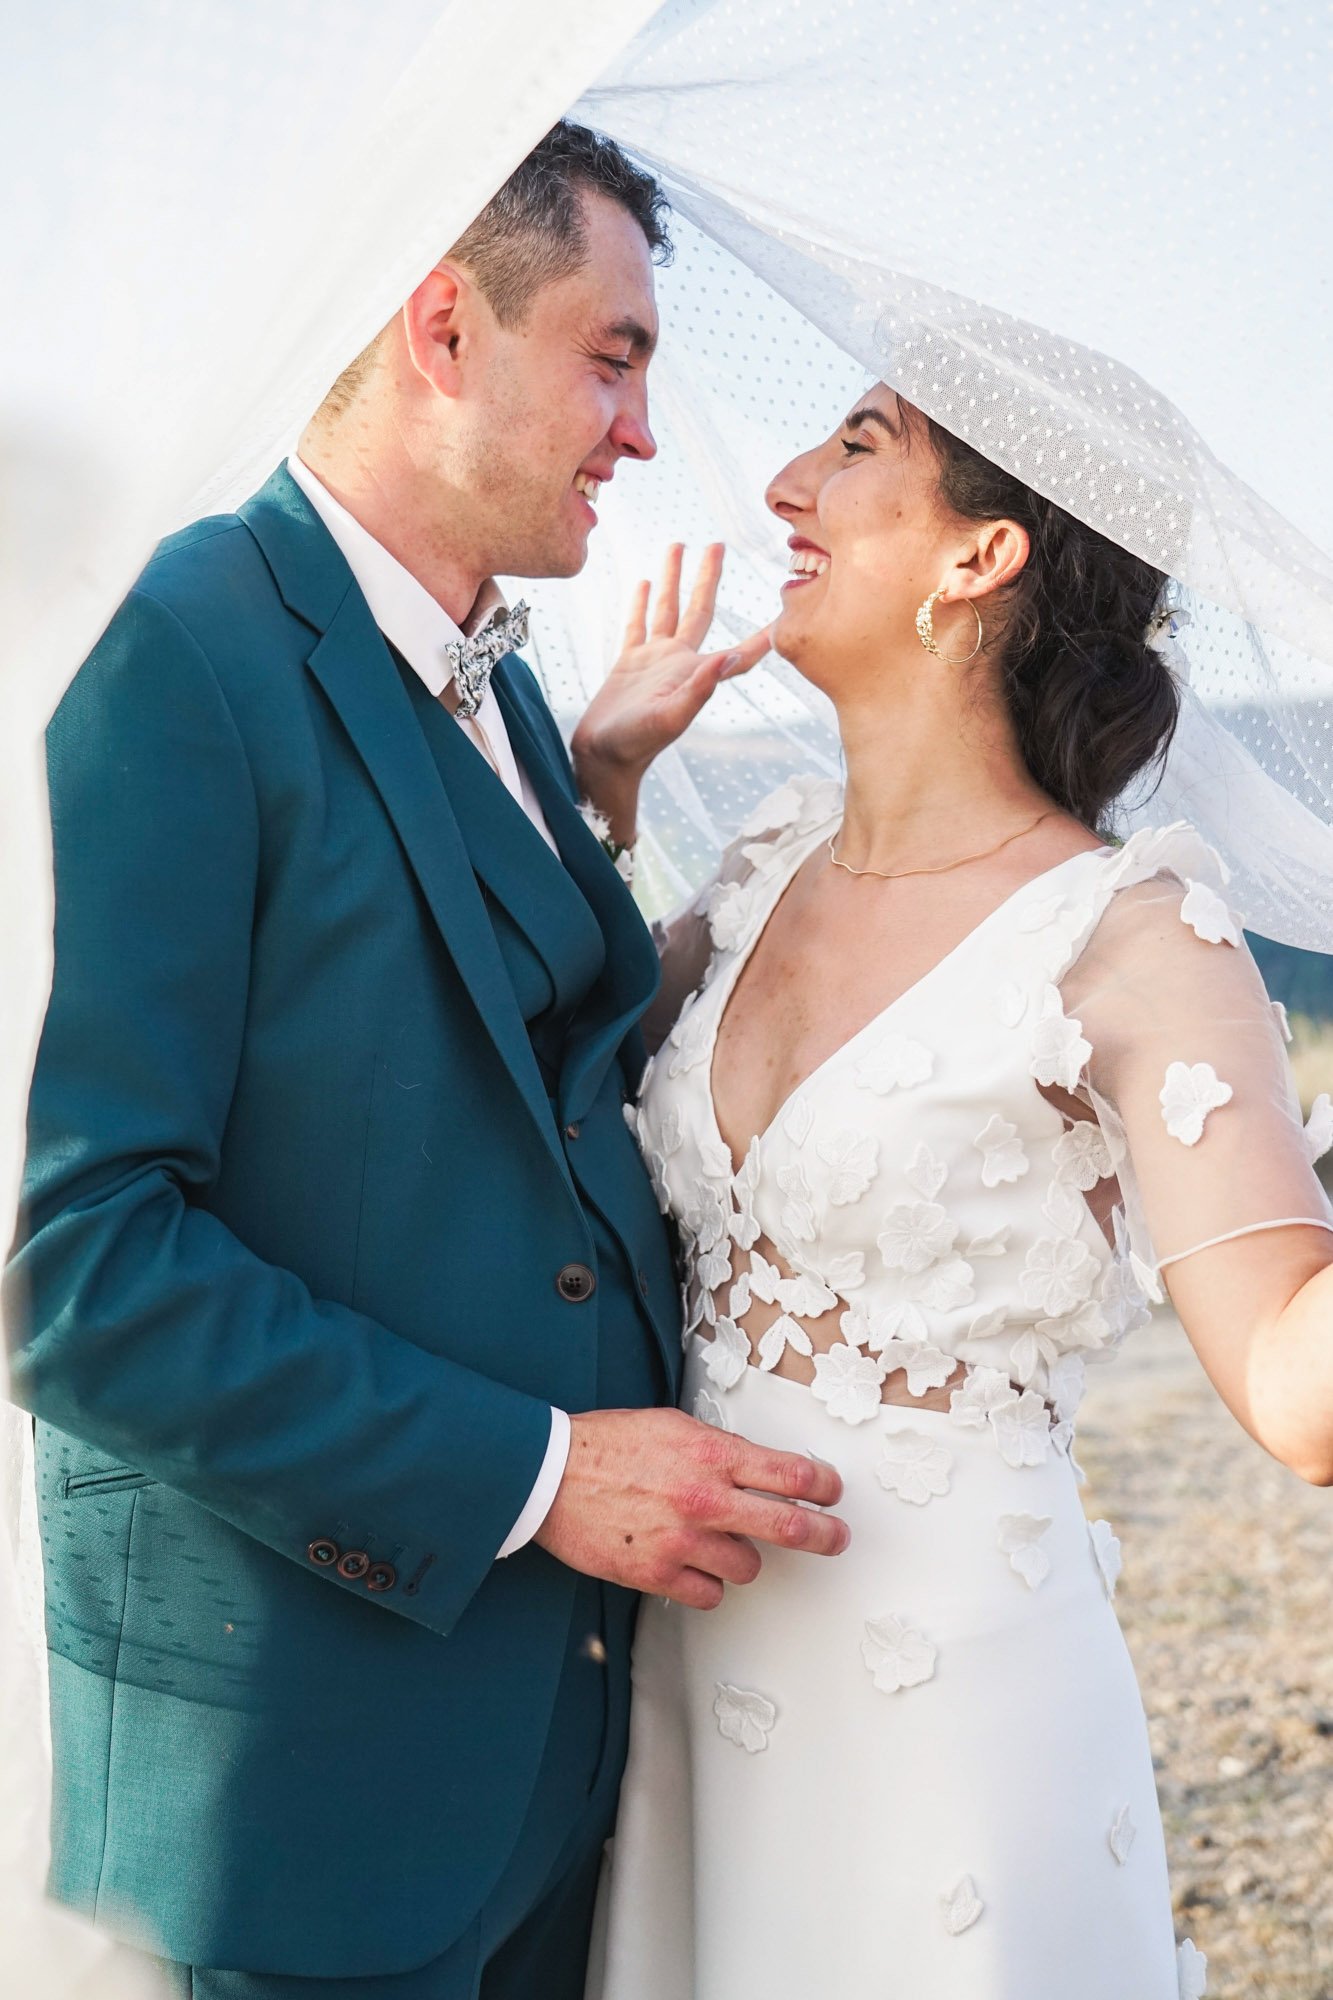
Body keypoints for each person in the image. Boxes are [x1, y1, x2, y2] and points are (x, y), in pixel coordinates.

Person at [2, 122, 842, 2000]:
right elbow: (72, 1265)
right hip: (293, 1786)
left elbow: (499, 1065)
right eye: (612, 360)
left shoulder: (517, 694)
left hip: (554, 1751)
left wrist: (603, 800)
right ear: (445, 326)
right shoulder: (166, 650)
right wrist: (540, 1475)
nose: (640, 432)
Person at [583, 384, 1333, 1998]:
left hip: (952, 1721)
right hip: (683, 1675)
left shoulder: (1131, 936)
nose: (782, 481)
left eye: (854, 448)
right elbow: (533, 1120)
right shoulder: (755, 865)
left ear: (981, 554)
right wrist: (602, 800)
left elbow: (1294, 1385)